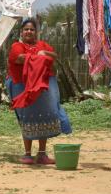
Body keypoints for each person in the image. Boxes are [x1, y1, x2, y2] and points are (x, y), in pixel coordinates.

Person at [6, 18, 72, 165]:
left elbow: (55, 55)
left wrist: (44, 52)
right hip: (22, 87)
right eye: (26, 29)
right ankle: (27, 155)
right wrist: (40, 56)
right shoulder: (17, 46)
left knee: (44, 117)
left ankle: (42, 154)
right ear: (21, 32)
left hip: (42, 88)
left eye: (32, 29)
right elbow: (19, 58)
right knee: (26, 118)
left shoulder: (42, 45)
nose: (29, 31)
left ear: (36, 32)